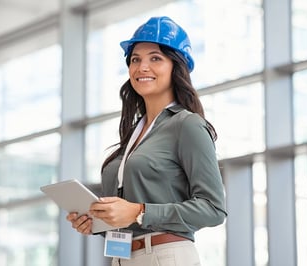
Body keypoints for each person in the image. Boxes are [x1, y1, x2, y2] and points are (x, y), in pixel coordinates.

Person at [67, 16, 227, 265]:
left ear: (176, 67)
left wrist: (139, 211)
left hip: (164, 255)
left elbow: (214, 210)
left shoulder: (187, 124)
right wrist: (97, 222)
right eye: (135, 59)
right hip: (122, 256)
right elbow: (128, 214)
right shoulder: (134, 133)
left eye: (155, 58)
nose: (142, 67)